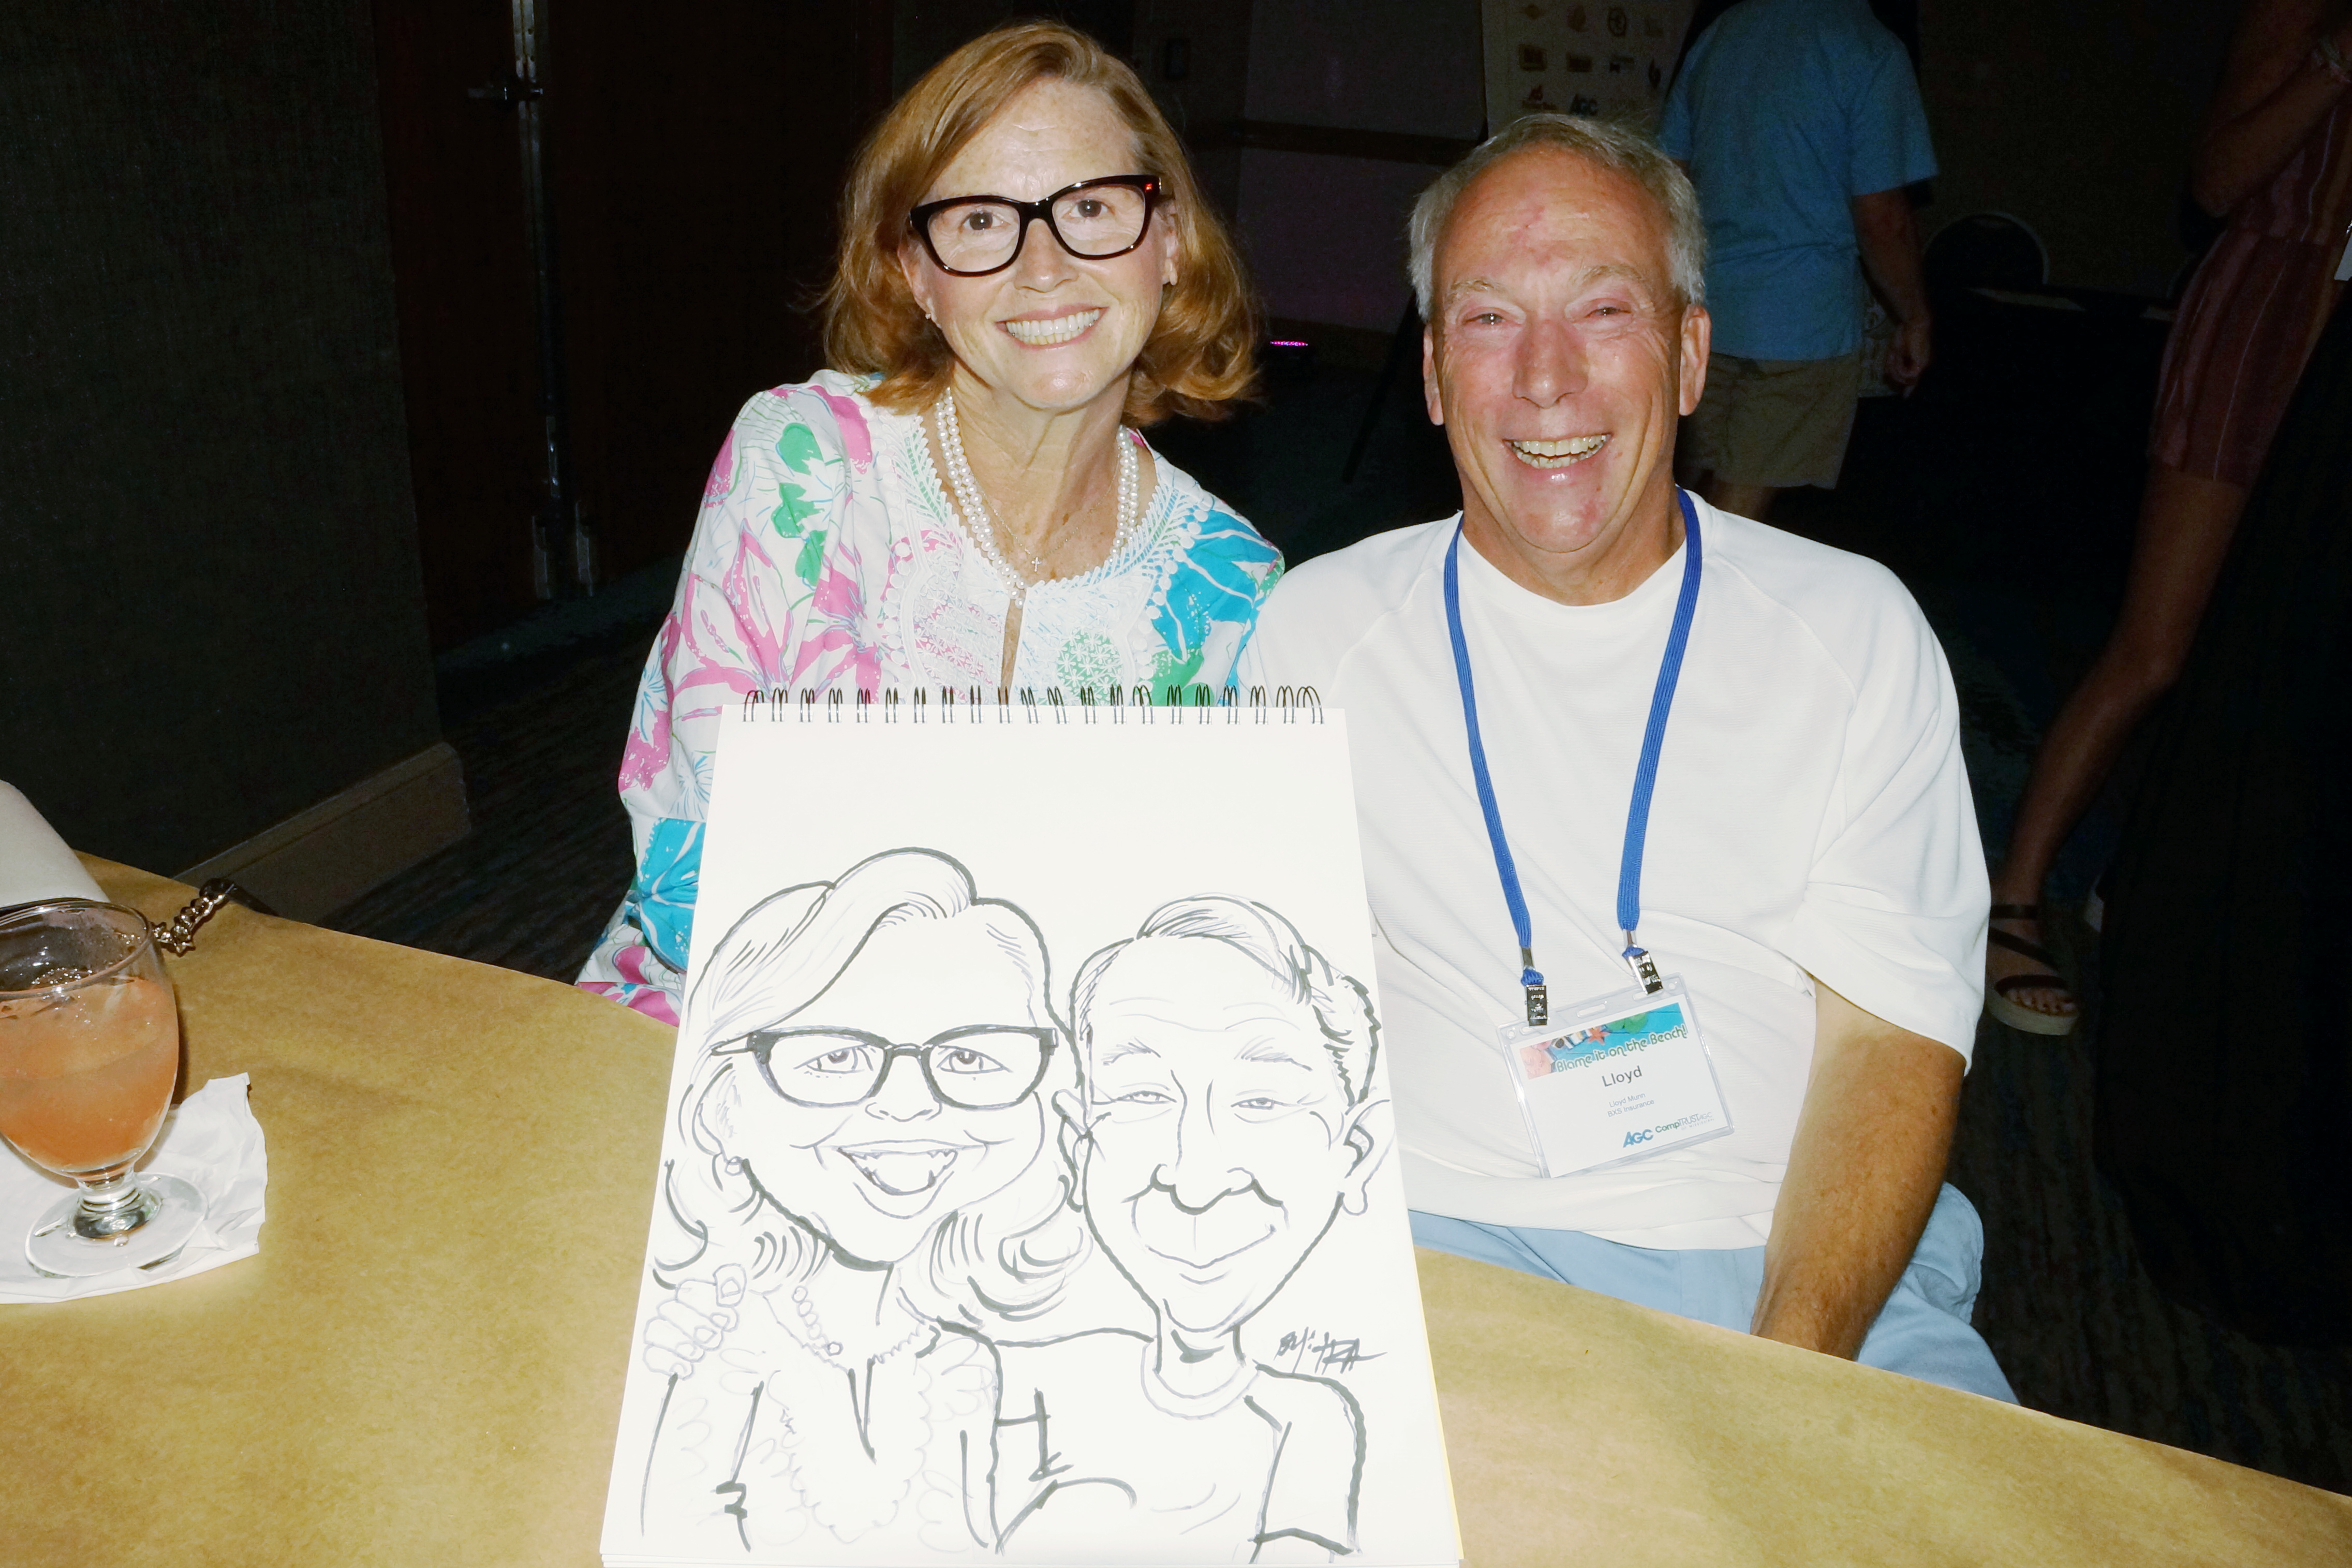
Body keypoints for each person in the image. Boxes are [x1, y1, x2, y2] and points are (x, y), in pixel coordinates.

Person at [1237, 115, 2012, 1400]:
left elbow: (1891, 1041)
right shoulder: (1316, 633)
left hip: (1801, 1252)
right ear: (1431, 373)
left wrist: (1782, 1379)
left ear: (1691, 353)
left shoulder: (1851, 631)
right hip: (1439, 1240)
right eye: (1487, 319)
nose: (1544, 378)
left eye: (1602, 310)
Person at [579, 22, 1281, 1024]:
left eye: (1091, 207)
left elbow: (1194, 934)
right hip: (720, 1034)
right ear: (916, 270)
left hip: (1052, 1071)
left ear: (1167, 241)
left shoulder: (1231, 586)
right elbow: (702, 879)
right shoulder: (806, 467)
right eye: (982, 221)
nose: (1044, 267)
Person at [1983, 0, 2352, 1034]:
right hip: (2264, 326)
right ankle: (2012, 895)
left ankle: (2147, 878)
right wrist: (2337, 61)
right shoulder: (2304, 12)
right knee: (2156, 647)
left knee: (2268, 658)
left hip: (2338, 360)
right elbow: (2217, 181)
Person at [634, 848, 1086, 1555]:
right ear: (723, 1106)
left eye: (969, 1057)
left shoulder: (966, 1361)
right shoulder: (710, 1344)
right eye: (835, 1056)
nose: (908, 1104)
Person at [994, 897, 1389, 1561]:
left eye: (1260, 1101)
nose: (1196, 1181)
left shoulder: (1307, 1420)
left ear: (1353, 1156)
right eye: (1144, 1096)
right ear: (1076, 1143)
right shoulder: (1031, 1382)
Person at [1658, 0, 1936, 522]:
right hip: (1801, 324)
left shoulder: (1723, 33)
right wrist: (1915, 317)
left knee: (1682, 494)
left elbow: (1669, 177)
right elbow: (1882, 217)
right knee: (1737, 518)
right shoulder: (1869, 48)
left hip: (1704, 310)